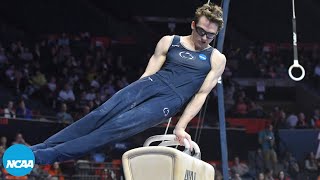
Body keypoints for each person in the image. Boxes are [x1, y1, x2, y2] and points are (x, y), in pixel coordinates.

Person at [31, 2, 226, 165]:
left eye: (210, 35)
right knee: (99, 115)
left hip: (169, 100)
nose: (204, 38)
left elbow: (201, 95)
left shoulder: (216, 59)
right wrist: (133, 95)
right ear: (193, 25)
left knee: (114, 127)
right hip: (149, 83)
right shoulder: (169, 41)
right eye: (201, 31)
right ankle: (38, 148)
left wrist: (180, 126)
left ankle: (43, 157)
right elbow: (148, 74)